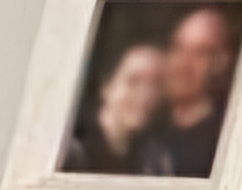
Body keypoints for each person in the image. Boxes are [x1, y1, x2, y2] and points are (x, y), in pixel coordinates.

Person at [135, 6, 241, 179]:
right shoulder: (143, 129)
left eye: (200, 53)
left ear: (222, 62)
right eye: (177, 48)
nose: (182, 64)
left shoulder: (227, 143)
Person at [62, 39, 166, 176]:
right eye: (134, 82)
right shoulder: (69, 147)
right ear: (107, 86)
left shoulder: (154, 160)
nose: (146, 95)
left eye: (156, 85)